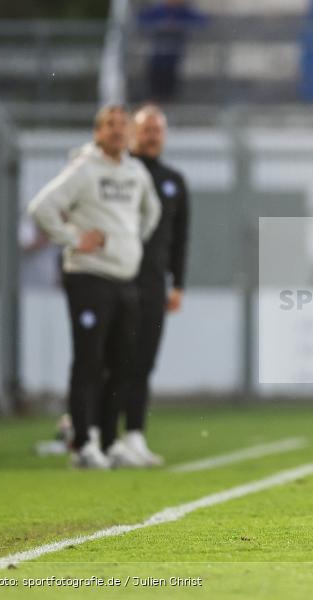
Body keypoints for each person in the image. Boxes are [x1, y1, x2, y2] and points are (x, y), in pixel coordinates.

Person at [28, 105, 161, 469]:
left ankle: (108, 438)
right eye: (110, 126)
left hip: (124, 277)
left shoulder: (135, 172)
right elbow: (41, 207)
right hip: (89, 276)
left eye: (122, 126)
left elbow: (152, 212)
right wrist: (72, 238)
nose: (118, 132)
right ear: (97, 132)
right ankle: (83, 443)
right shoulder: (83, 169)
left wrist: (128, 242)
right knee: (89, 361)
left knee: (122, 364)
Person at [107, 104, 189, 467]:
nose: (152, 134)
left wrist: (178, 284)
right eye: (146, 129)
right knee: (112, 360)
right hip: (119, 277)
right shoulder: (120, 174)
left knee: (142, 361)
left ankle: (135, 435)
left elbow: (180, 238)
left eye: (158, 129)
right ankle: (101, 435)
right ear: (133, 134)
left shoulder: (174, 180)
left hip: (155, 282)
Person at [137, 0, 207, 102]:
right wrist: (160, 25)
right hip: (158, 55)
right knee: (156, 76)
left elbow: (202, 21)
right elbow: (142, 19)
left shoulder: (184, 11)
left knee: (171, 79)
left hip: (174, 56)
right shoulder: (158, 10)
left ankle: (169, 100)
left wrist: (179, 25)